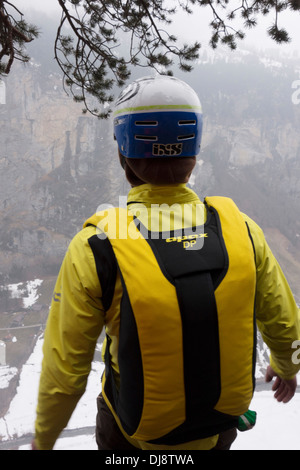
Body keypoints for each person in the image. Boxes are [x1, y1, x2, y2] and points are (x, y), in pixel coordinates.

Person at [33, 75, 300, 451]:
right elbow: (285, 322)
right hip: (217, 430)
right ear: (194, 151)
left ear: (123, 153)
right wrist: (287, 368)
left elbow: (64, 372)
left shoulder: (97, 245)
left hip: (131, 436)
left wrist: (42, 440)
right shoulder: (241, 229)